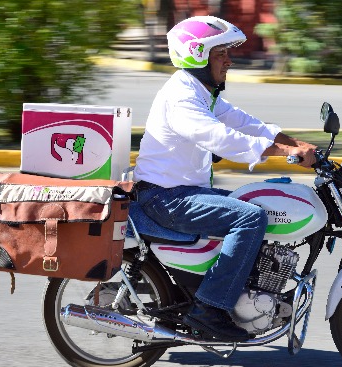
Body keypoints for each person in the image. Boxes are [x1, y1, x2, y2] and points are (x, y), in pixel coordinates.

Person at [133, 16, 317, 341]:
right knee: (250, 218)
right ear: (197, 55)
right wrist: (282, 152)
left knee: (257, 202)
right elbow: (221, 138)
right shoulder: (181, 97)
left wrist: (297, 144)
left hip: (182, 192)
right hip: (164, 198)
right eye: (221, 54)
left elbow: (246, 123)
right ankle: (210, 308)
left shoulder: (201, 92)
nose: (229, 61)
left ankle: (241, 292)